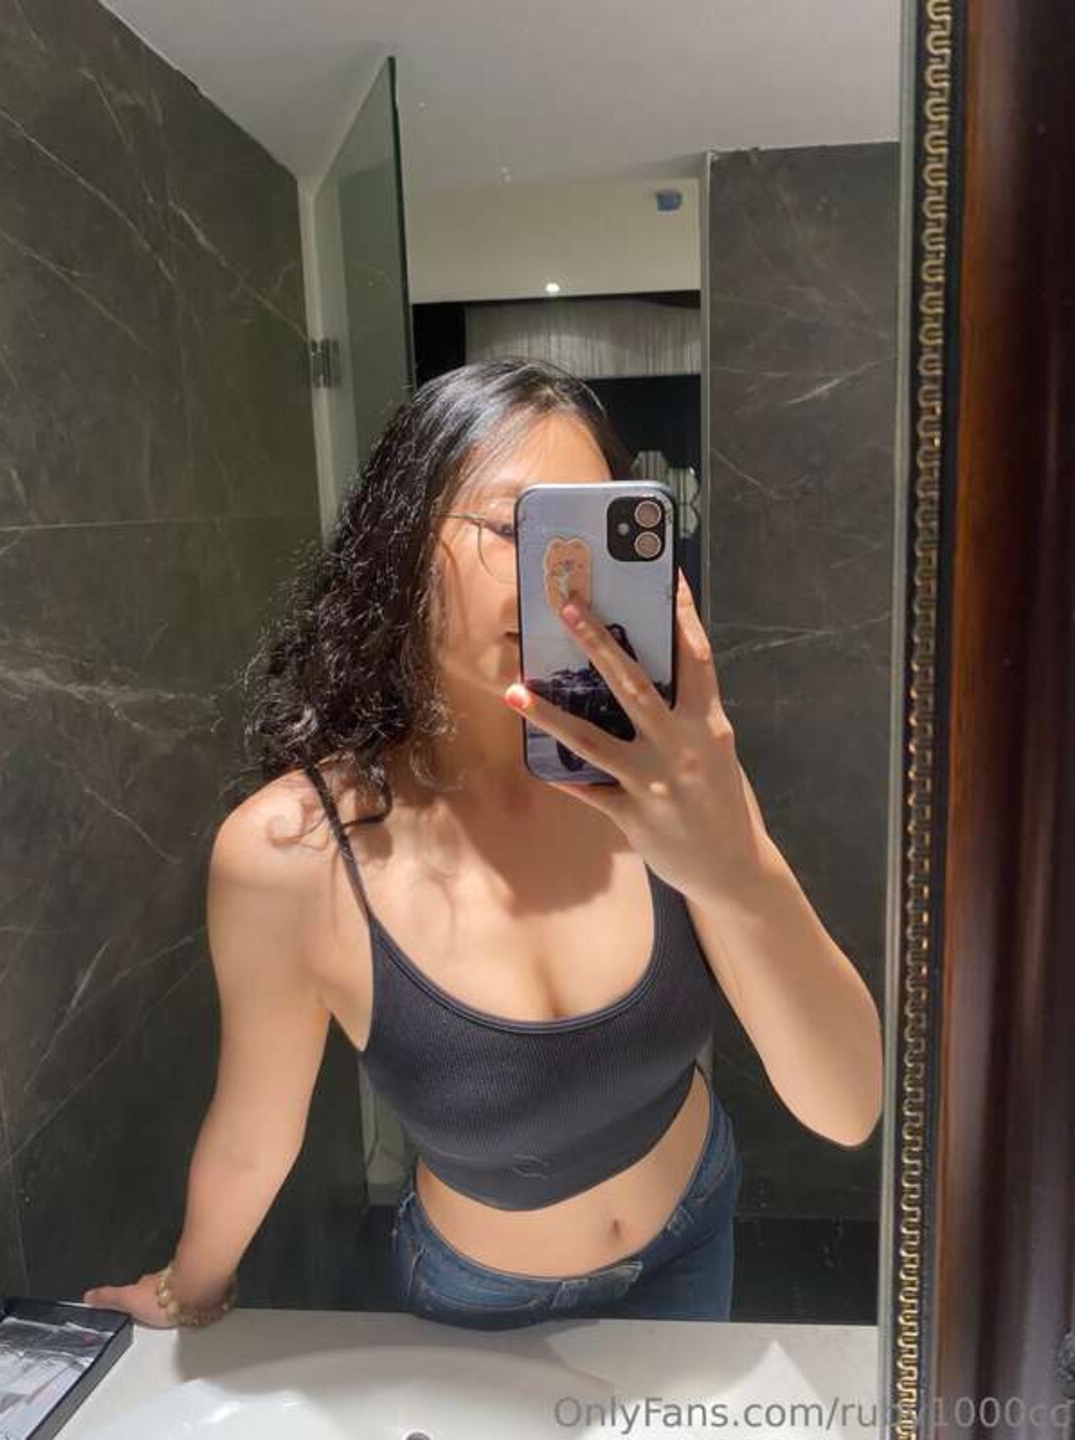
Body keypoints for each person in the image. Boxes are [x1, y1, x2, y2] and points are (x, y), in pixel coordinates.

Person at [81, 358, 882, 1331]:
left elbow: (848, 1108)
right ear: (399, 542)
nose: (565, 579)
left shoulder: (667, 779)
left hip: (694, 1230)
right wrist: (187, 1290)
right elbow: (255, 1134)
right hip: (483, 1300)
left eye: (591, 535)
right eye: (518, 529)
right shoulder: (292, 854)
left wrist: (737, 872)